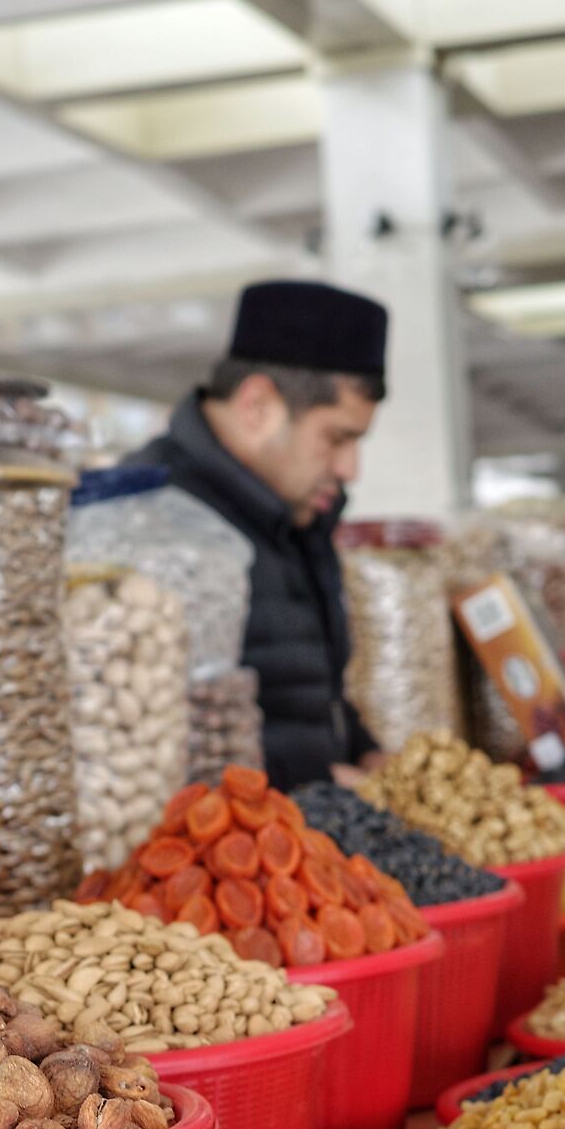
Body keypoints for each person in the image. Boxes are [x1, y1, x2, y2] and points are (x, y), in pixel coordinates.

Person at [126, 278, 389, 789]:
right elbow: (150, 735)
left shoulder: (298, 516)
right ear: (257, 407)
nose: (350, 467)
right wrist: (316, 780)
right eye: (337, 438)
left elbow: (304, 694)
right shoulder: (151, 519)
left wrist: (366, 754)